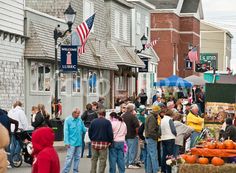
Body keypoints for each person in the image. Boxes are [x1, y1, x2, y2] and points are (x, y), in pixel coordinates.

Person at [62, 108, 86, 173]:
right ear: (73, 113)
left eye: (79, 113)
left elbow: (84, 129)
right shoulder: (68, 120)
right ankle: (65, 171)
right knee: (69, 158)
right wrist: (66, 142)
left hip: (79, 142)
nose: (79, 115)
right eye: (77, 113)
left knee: (77, 158)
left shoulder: (80, 120)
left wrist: (91, 128)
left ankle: (75, 171)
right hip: (71, 143)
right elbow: (66, 132)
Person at [121, 103, 140, 169]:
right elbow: (137, 127)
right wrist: (137, 134)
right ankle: (131, 163)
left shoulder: (123, 116)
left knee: (126, 150)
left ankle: (125, 163)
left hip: (124, 135)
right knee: (132, 150)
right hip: (132, 135)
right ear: (132, 109)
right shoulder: (133, 116)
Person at [145, 105, 161, 173]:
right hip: (151, 138)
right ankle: (156, 170)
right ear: (157, 111)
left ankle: (149, 170)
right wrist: (157, 136)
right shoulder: (152, 118)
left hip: (148, 138)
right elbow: (151, 130)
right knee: (154, 155)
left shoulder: (150, 116)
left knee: (149, 155)